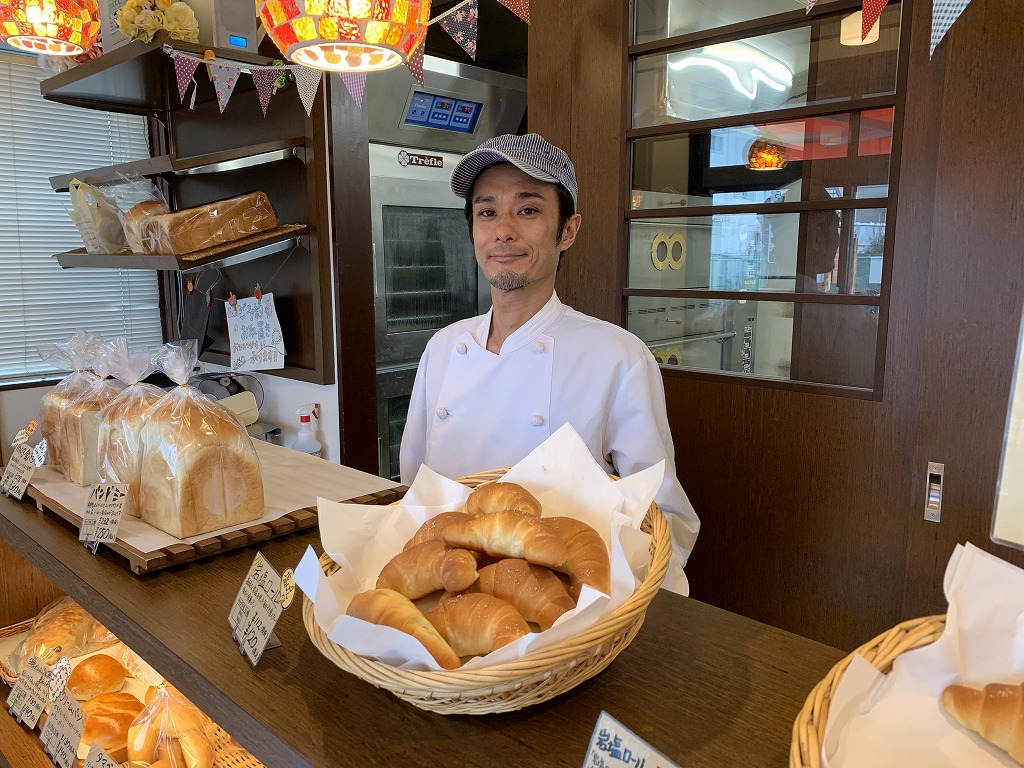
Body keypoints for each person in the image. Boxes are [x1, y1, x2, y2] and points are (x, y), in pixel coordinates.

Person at [399, 133, 699, 594]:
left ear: (569, 230)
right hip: (447, 593)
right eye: (487, 211)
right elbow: (415, 494)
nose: (503, 230)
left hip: (567, 608)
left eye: (528, 209)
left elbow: (661, 521)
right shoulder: (443, 347)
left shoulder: (616, 357)